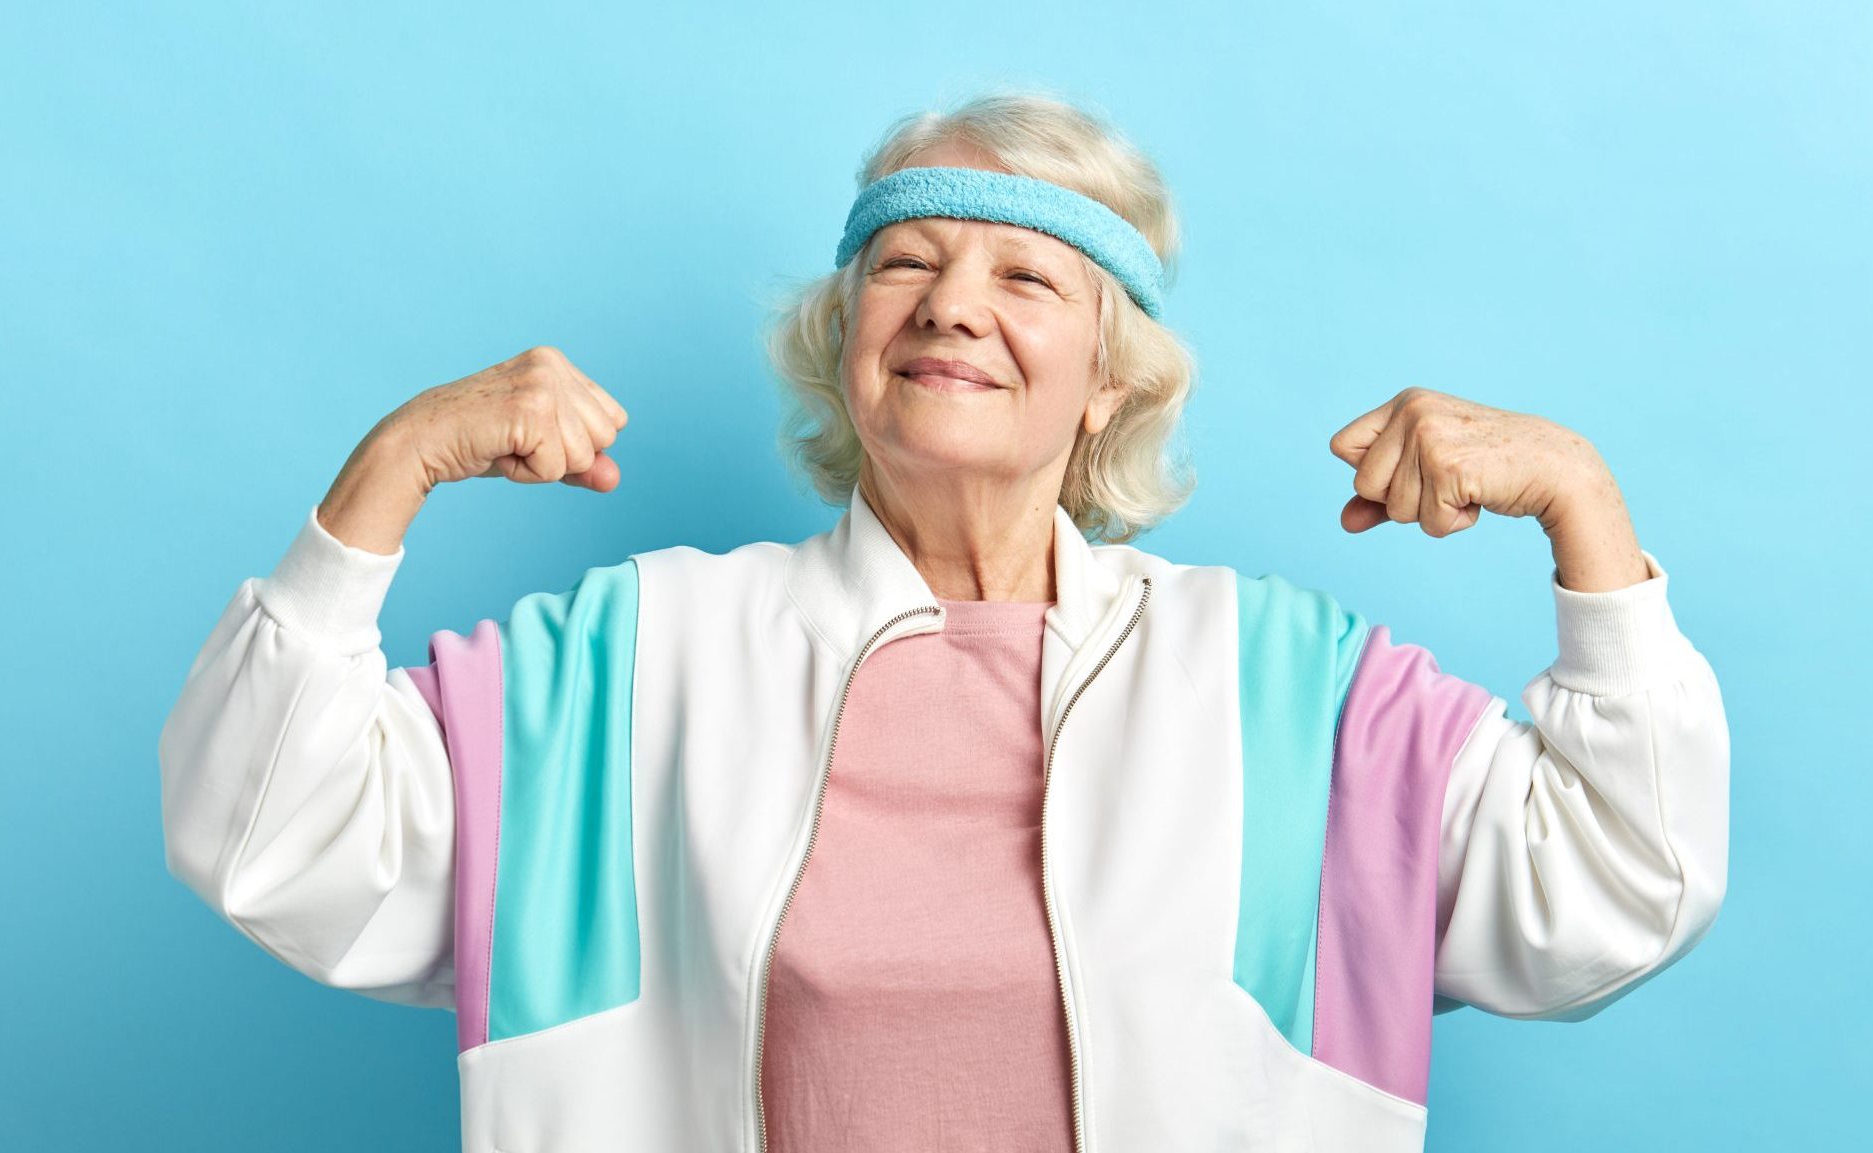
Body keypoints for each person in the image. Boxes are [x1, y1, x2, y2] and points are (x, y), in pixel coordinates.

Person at [158, 90, 1729, 1153]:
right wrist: (389, 471)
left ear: (1109, 373)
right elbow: (269, 832)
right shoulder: (636, 663)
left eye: (1025, 275)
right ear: (847, 339)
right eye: (905, 261)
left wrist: (1585, 511)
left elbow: (1620, 883)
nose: (951, 303)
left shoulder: (1282, 690)